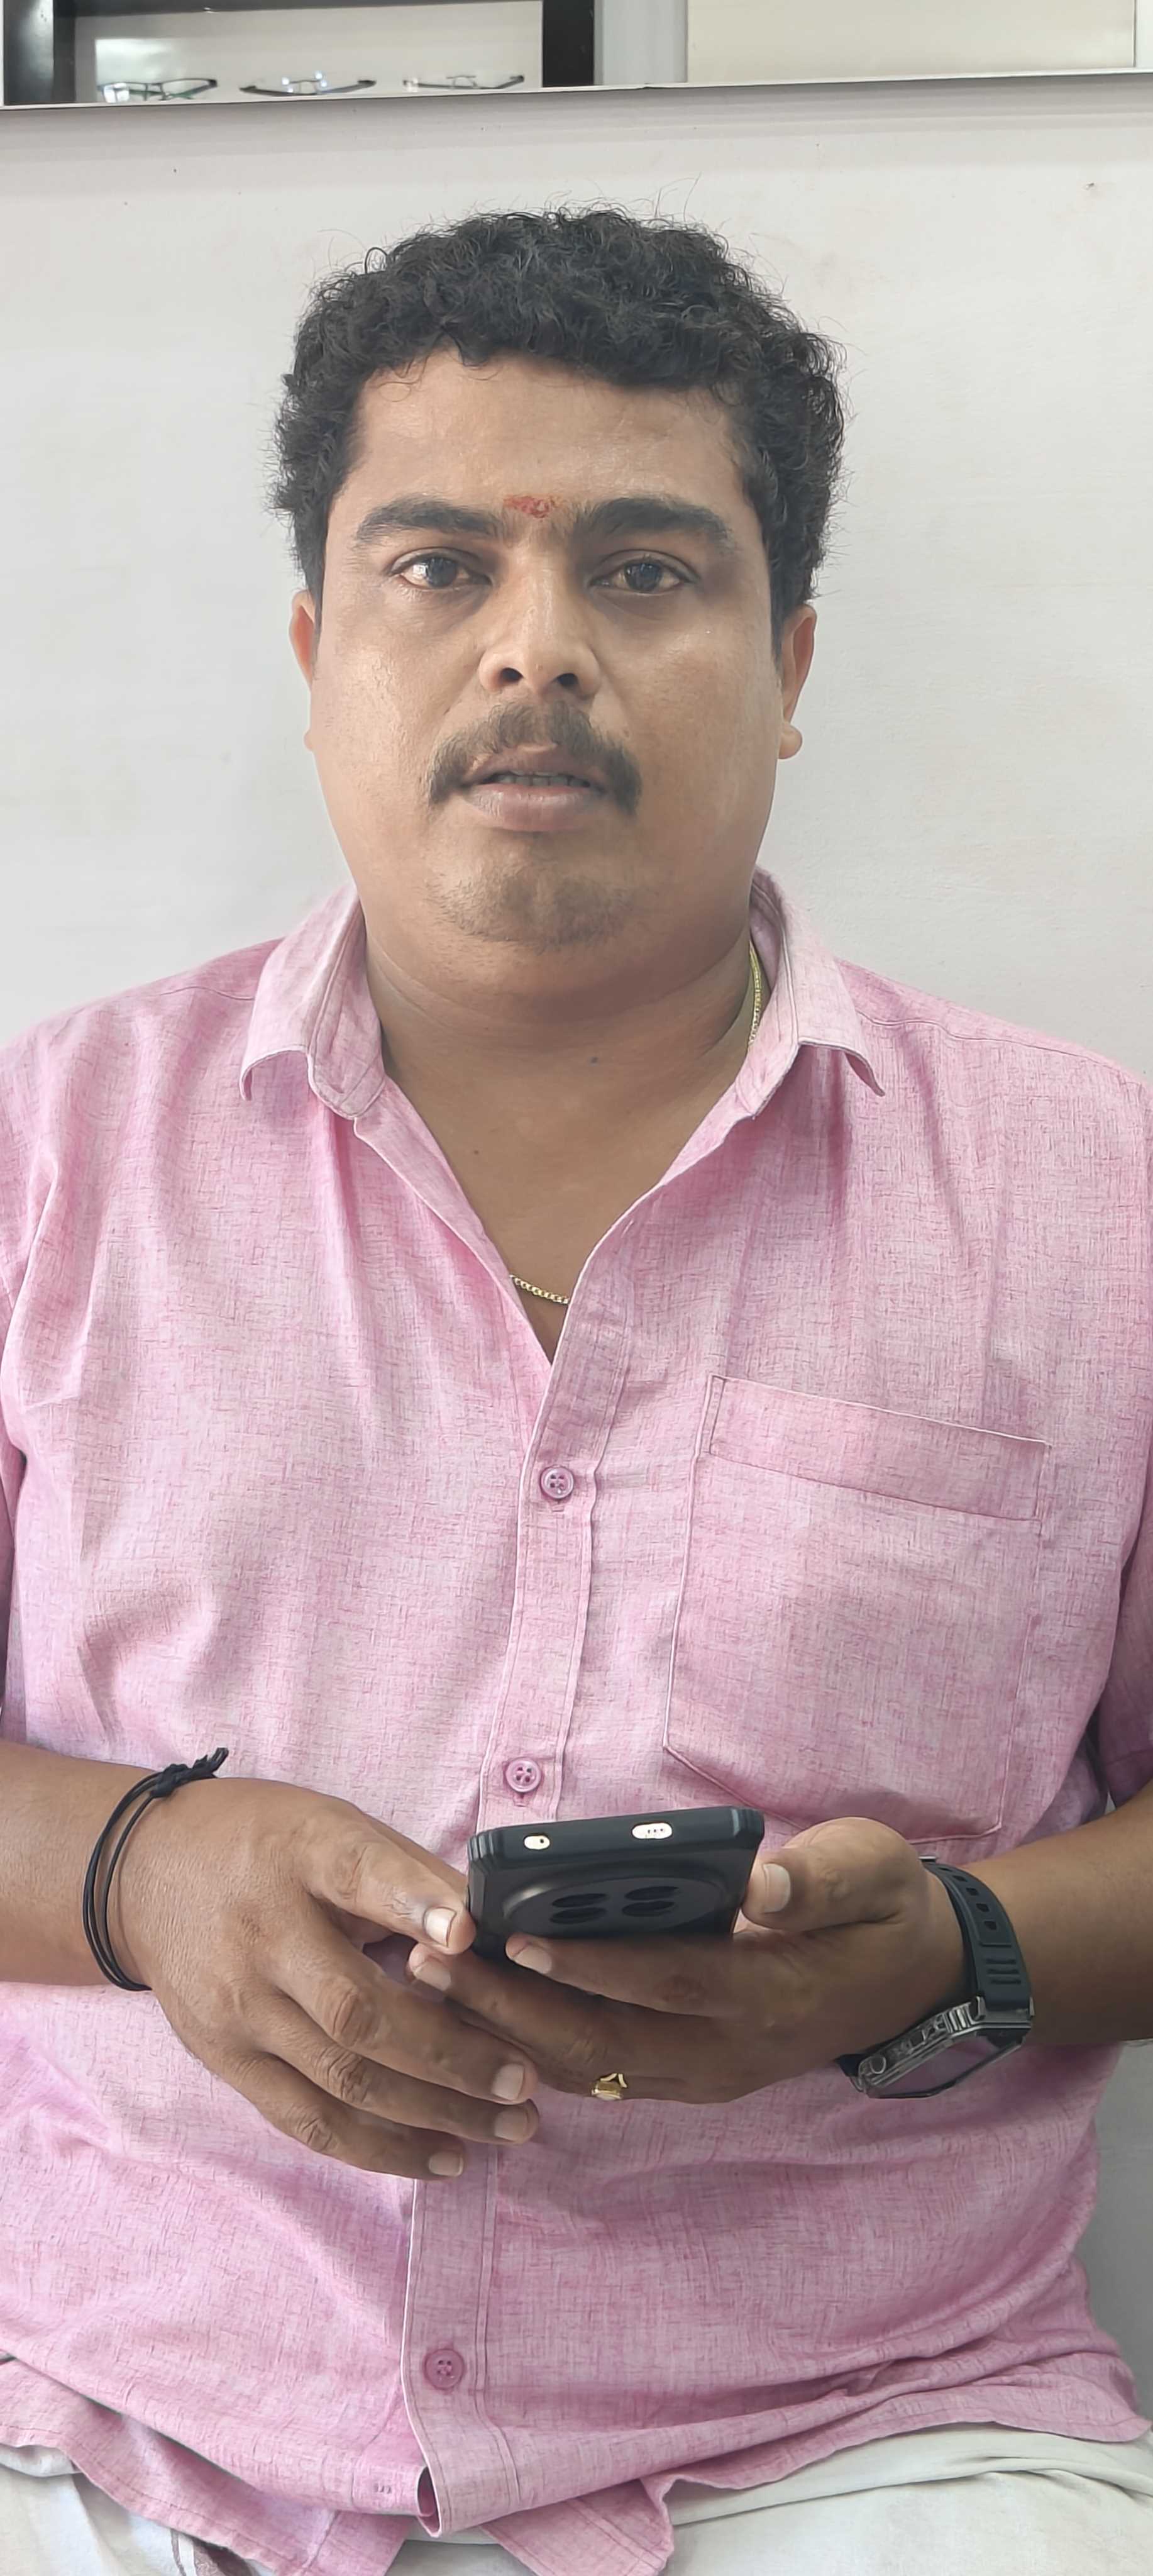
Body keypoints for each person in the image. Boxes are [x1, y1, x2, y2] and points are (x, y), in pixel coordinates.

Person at [1, 203, 1152, 2576]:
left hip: (862, 2435)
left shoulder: (1096, 1199)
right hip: (104, 2406)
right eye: (438, 568)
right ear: (315, 651)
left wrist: (952, 1952)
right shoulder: (44, 1159)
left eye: (643, 571)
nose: (533, 647)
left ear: (788, 659)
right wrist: (140, 1873)